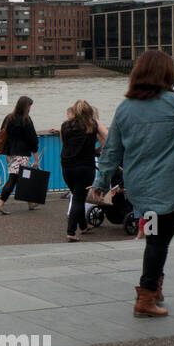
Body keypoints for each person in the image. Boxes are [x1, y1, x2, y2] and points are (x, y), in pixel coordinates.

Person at [90, 49, 174, 318]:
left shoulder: (125, 108)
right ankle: (146, 296)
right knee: (158, 241)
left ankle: (153, 286)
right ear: (168, 74)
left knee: (155, 237)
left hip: (140, 188)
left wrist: (101, 181)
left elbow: (111, 151)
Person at [59, 100, 108, 241]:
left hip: (67, 166)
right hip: (85, 166)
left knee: (76, 194)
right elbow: (108, 137)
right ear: (89, 111)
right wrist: (97, 150)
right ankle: (71, 232)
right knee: (79, 198)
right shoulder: (93, 124)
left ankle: (83, 226)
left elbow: (64, 144)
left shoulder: (65, 125)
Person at [0, 95, 41, 213]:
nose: (30, 109)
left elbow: (2, 133)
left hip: (10, 153)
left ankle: (30, 203)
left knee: (23, 178)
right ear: (25, 107)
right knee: (14, 179)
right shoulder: (26, 120)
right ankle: (0, 203)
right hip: (22, 154)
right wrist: (36, 158)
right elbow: (33, 140)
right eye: (29, 106)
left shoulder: (8, 118)